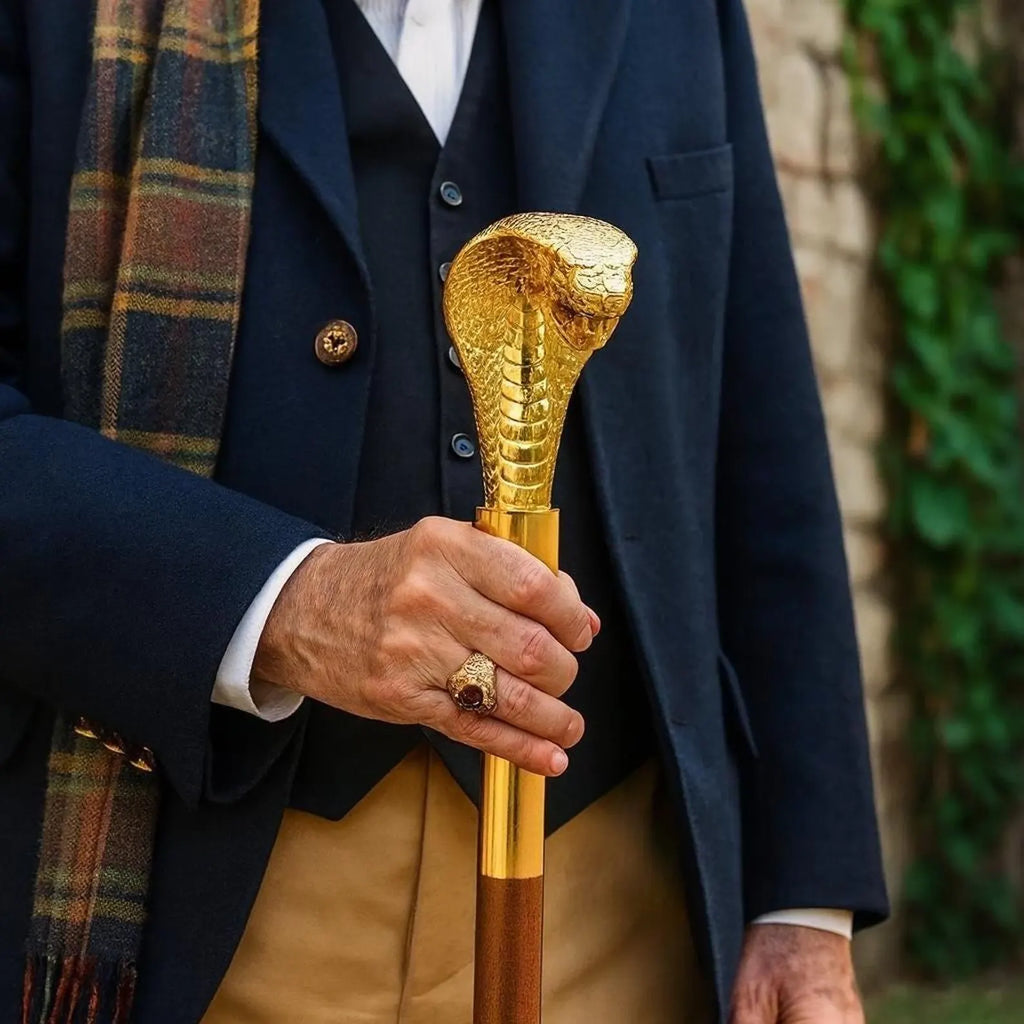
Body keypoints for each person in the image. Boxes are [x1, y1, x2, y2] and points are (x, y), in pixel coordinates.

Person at [0, 1, 888, 1022]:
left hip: (620, 915)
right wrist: (285, 604)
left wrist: (802, 902)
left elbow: (754, 412)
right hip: (196, 911)